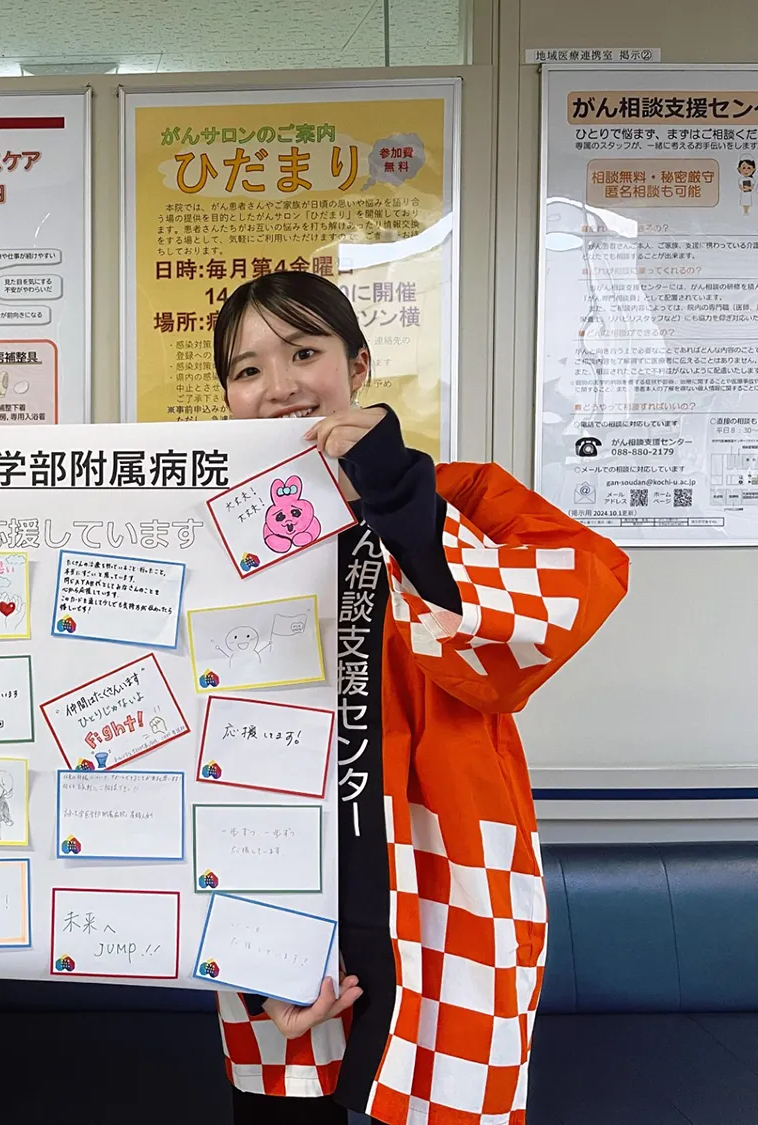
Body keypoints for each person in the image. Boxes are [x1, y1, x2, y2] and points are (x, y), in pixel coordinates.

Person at [211, 272, 628, 1125]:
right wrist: (250, 960)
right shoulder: (219, 537)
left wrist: (396, 488)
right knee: (284, 1101)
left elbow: (535, 628)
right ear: (228, 397)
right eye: (247, 369)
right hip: (285, 899)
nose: (279, 385)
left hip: (447, 892)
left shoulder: (458, 497)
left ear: (358, 367)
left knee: (445, 1101)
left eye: (303, 352)